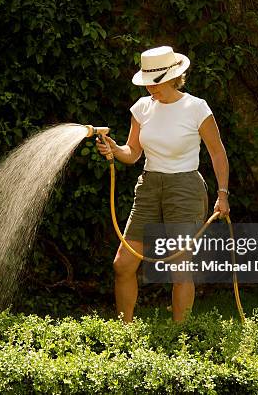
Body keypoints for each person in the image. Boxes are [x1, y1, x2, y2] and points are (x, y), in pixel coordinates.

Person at [96, 45, 230, 323]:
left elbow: (217, 152)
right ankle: (124, 330)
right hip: (149, 187)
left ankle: (179, 337)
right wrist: (113, 149)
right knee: (123, 264)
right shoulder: (142, 108)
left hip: (185, 188)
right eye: (148, 83)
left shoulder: (196, 108)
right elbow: (132, 153)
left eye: (155, 84)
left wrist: (223, 194)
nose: (150, 89)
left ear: (173, 77)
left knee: (180, 268)